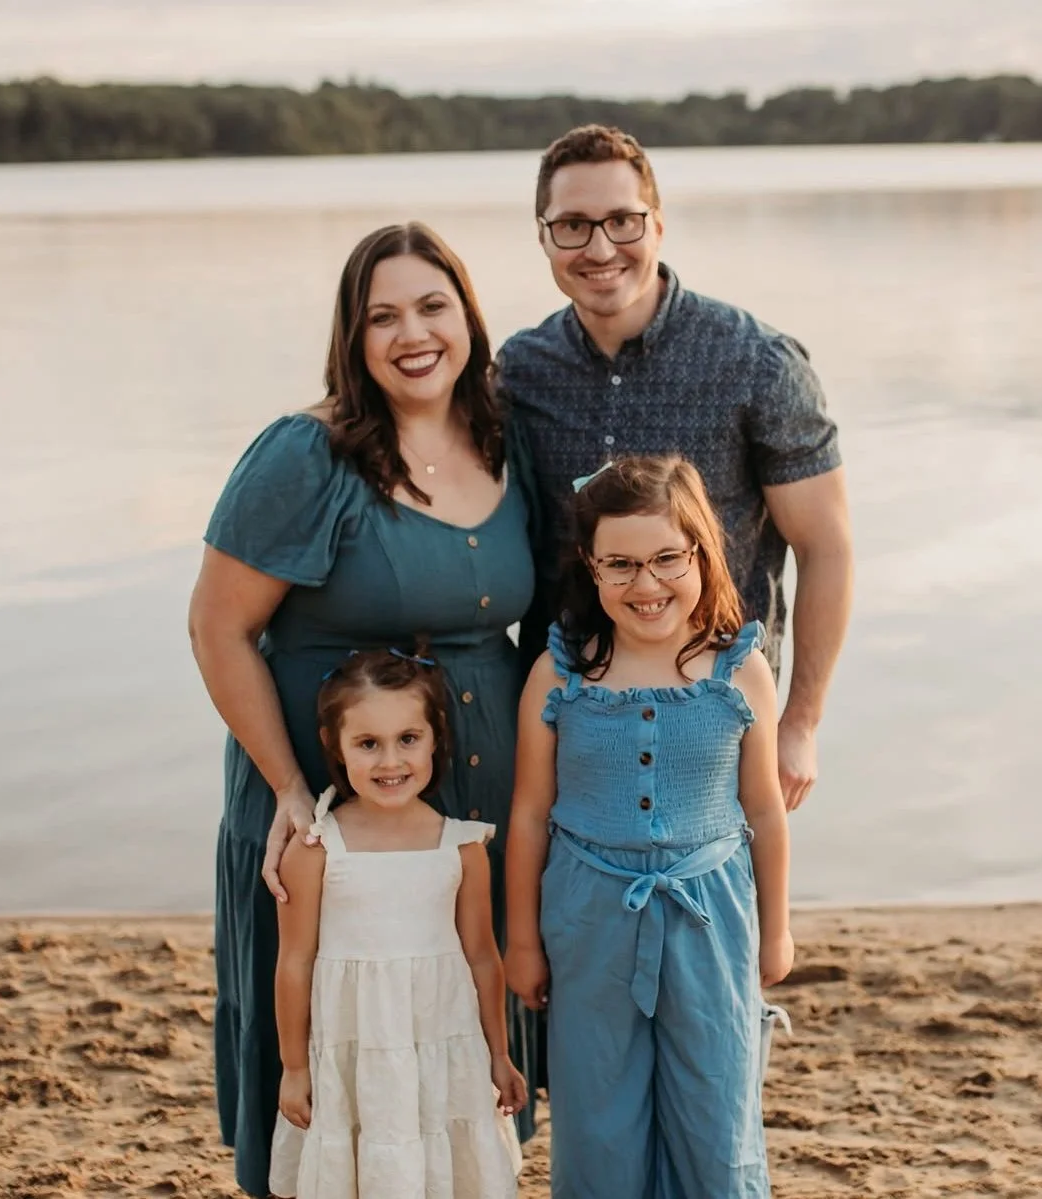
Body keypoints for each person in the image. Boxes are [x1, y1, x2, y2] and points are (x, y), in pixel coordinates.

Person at [188, 222, 541, 1197]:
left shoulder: (508, 440)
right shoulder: (307, 454)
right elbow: (218, 629)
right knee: (327, 1034)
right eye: (382, 315)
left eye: (432, 305)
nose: (411, 333)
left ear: (467, 314)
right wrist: (292, 793)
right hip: (330, 796)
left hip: (474, 800)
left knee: (454, 1030)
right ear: (353, 335)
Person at [498, 124, 853, 811]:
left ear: (657, 225)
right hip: (569, 727)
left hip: (717, 728)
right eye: (572, 225)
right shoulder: (519, 371)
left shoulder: (757, 363)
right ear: (543, 237)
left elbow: (826, 546)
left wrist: (800, 723)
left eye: (623, 221)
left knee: (727, 917)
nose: (600, 248)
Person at [505, 455, 792, 1198]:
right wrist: (524, 938)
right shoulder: (562, 674)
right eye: (622, 564)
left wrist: (777, 925)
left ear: (701, 550)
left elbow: (763, 807)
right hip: (588, 910)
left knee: (716, 1104)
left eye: (669, 558)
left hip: (711, 910)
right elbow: (530, 813)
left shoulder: (739, 670)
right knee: (597, 1107)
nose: (647, 582)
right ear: (590, 567)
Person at [269, 647, 526, 1198]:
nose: (390, 762)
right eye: (368, 744)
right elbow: (294, 962)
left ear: (436, 737)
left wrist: (499, 1056)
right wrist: (294, 1067)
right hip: (355, 1046)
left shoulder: (462, 846)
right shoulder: (317, 849)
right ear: (333, 745)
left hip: (442, 1042)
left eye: (408, 739)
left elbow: (482, 957)